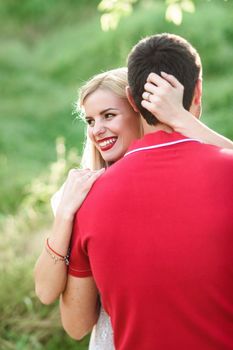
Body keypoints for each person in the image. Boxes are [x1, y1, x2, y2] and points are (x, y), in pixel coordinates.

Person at [59, 34, 233, 350]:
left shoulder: (90, 196)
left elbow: (75, 322)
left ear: (132, 99)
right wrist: (183, 120)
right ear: (197, 91)